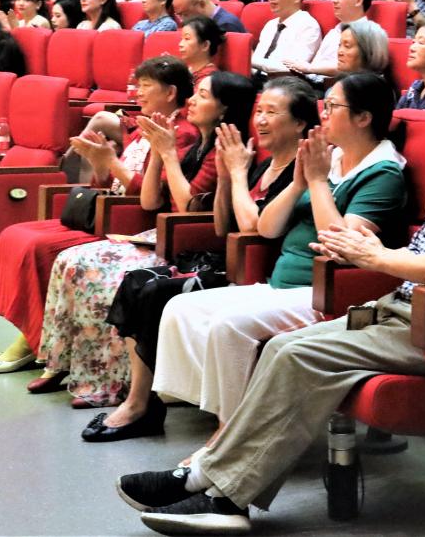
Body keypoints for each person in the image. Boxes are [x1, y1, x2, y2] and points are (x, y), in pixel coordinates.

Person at [116, 84, 425, 534]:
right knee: (282, 346)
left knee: (298, 354)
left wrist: (377, 257)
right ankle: (207, 478)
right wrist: (378, 251)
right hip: (401, 306)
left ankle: (225, 495)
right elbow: (423, 252)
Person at [89, 78, 319, 441]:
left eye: (272, 113)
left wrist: (236, 174)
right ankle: (140, 400)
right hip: (222, 256)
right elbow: (222, 224)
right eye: (259, 111)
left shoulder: (298, 172)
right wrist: (227, 179)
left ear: (300, 123)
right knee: (136, 281)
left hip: (250, 270)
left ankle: (146, 404)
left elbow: (254, 228)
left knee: (156, 292)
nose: (260, 120)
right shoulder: (260, 165)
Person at [38, 72, 250, 407]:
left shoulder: (218, 152)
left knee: (103, 274)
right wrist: (157, 154)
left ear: (224, 108)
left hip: (191, 244)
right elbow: (150, 201)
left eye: (203, 95)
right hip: (162, 234)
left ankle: (110, 381)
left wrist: (168, 154)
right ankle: (61, 362)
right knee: (71, 259)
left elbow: (188, 209)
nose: (192, 100)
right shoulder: (196, 143)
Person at [0, 57, 198, 376]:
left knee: (38, 247)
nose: (137, 92)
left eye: (145, 86)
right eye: (137, 85)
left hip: (132, 222)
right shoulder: (143, 127)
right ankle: (36, 334)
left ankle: (34, 341)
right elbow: (110, 183)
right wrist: (99, 164)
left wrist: (112, 163)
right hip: (111, 208)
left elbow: (154, 196)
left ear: (170, 92)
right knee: (15, 234)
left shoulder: (180, 134)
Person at [250, 0, 321, 78]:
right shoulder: (270, 24)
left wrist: (248, 59)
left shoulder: (308, 25)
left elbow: (291, 68)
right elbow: (256, 61)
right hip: (255, 79)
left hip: (284, 82)